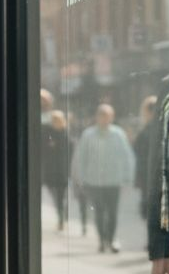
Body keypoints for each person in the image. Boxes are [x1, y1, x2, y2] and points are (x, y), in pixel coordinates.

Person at [71, 103, 136, 253]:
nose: (105, 119)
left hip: (113, 181)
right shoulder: (88, 135)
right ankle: (101, 240)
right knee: (99, 212)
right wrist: (80, 178)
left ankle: (111, 239)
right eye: (102, 116)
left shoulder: (118, 134)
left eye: (108, 116)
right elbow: (81, 158)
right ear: (97, 117)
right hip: (94, 182)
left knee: (112, 212)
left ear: (112, 118)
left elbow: (128, 157)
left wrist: (128, 177)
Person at [40, 110, 72, 230]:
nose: (56, 123)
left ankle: (61, 217)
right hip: (50, 171)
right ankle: (61, 214)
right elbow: (42, 149)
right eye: (54, 120)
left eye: (58, 120)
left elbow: (70, 151)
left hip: (63, 171)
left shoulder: (65, 134)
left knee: (61, 196)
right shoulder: (47, 133)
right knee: (55, 196)